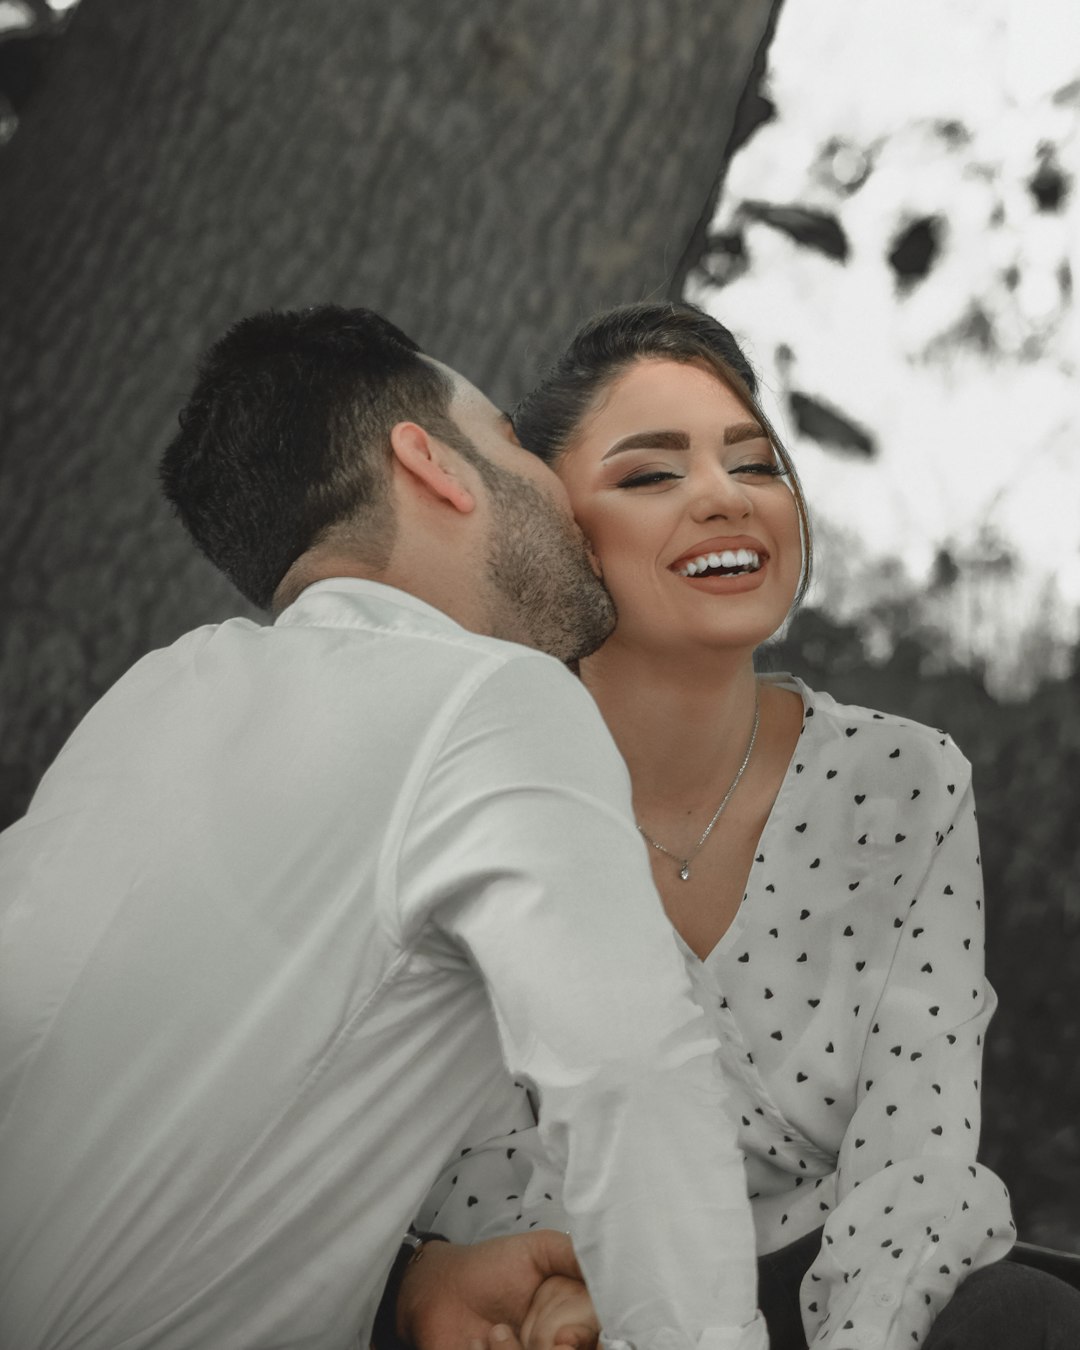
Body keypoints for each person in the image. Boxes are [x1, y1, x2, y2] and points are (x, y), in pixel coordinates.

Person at [0, 306, 767, 1350]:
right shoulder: (488, 696)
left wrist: (405, 1284)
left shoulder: (148, 704)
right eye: (508, 439)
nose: (559, 492)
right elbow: (633, 1081)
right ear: (433, 464)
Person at [409, 301, 1080, 1350]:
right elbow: (474, 1165)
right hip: (560, 1290)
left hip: (842, 1291)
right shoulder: (471, 787)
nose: (725, 497)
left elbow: (914, 1166)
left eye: (755, 464)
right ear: (554, 532)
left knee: (1028, 1317)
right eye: (651, 473)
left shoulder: (902, 781)